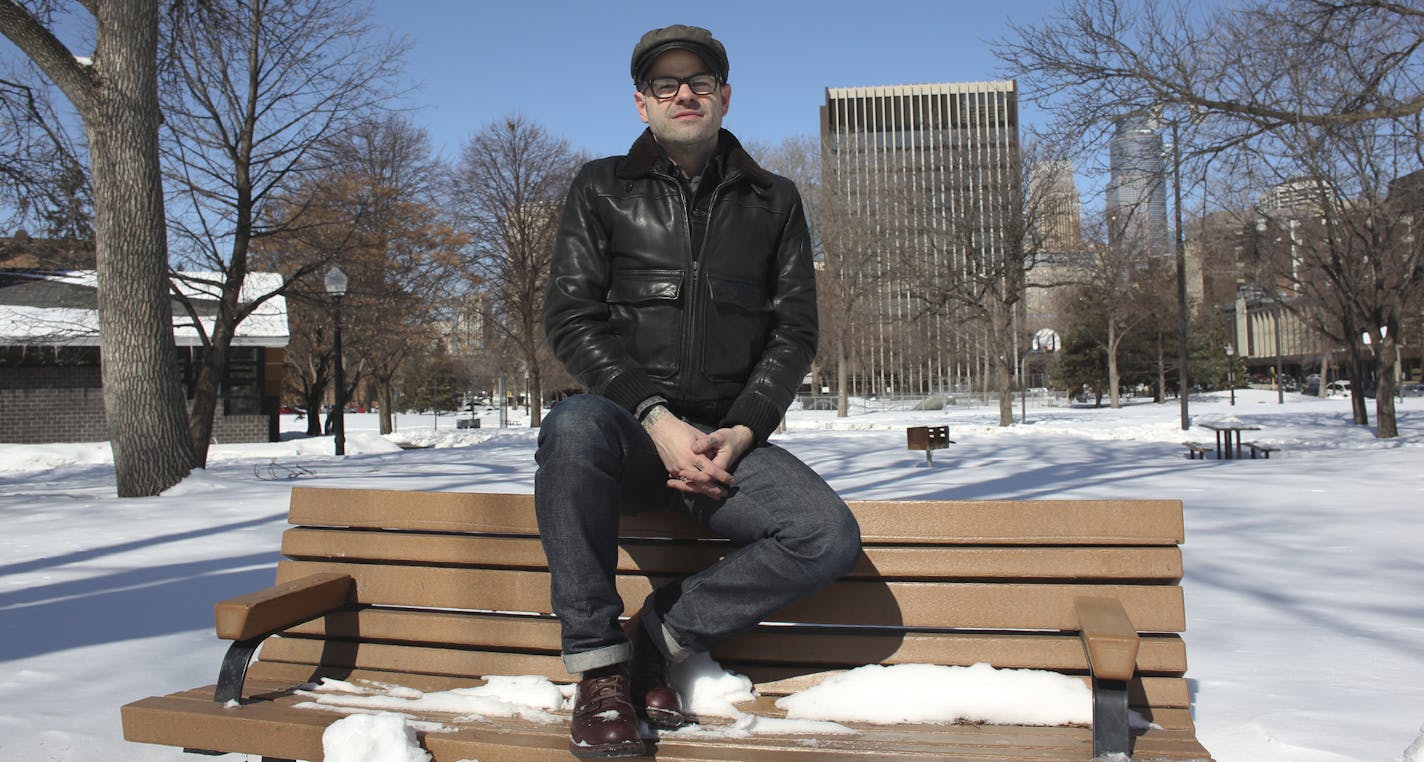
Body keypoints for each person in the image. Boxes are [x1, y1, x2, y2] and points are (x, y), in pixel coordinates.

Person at [535, 23, 862, 759]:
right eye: (665, 83)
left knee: (825, 535)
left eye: (700, 82)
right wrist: (654, 417)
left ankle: (656, 637)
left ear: (724, 96)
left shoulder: (773, 200)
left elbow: (793, 333)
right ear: (641, 103)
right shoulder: (600, 187)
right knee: (573, 427)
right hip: (629, 436)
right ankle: (598, 671)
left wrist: (742, 430)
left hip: (727, 445)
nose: (684, 93)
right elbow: (571, 318)